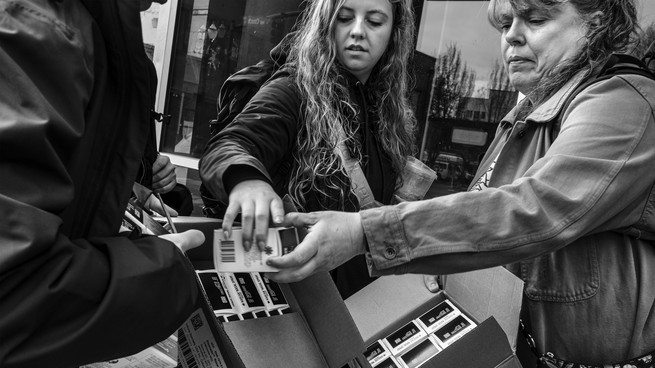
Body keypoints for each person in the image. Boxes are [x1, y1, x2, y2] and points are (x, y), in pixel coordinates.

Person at [265, 0, 655, 366]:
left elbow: (538, 208)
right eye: (505, 23)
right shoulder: (528, 111)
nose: (511, 36)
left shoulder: (624, 101)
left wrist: (363, 233)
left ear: (597, 22)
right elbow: (484, 207)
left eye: (535, 19)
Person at [0, 1, 205, 367]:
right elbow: (15, 290)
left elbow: (78, 171)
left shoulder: (110, 44)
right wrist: (166, 271)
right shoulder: (39, 28)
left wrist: (137, 187)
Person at [200, 0, 420, 298]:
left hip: (362, 305)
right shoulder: (293, 89)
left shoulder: (388, 112)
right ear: (325, 23)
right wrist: (246, 179)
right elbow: (229, 144)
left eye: (374, 21)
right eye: (344, 18)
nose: (357, 31)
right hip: (295, 304)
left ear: (394, 33)